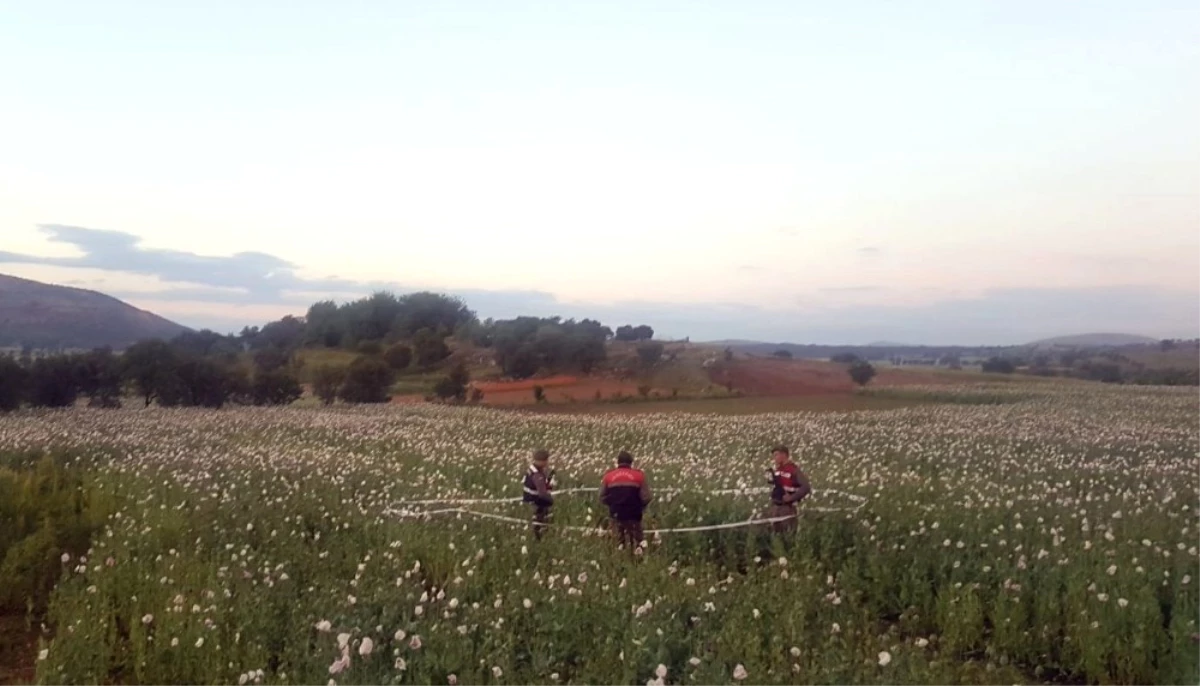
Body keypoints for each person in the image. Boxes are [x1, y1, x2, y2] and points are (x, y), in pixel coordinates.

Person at [599, 450, 653, 549]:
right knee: (638, 544)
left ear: (618, 462)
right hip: (634, 515)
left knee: (618, 544)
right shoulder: (639, 476)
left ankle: (620, 559)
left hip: (616, 515)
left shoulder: (609, 476)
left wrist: (612, 503)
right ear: (631, 462)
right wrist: (640, 506)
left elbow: (602, 497)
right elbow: (647, 497)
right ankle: (636, 562)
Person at [765, 445, 811, 533]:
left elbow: (806, 487)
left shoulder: (793, 470)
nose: (774, 458)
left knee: (788, 534)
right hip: (776, 506)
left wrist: (792, 497)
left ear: (784, 455)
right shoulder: (777, 469)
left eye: (776, 455)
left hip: (787, 508)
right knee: (776, 534)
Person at [522, 449, 555, 540]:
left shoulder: (531, 470)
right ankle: (539, 539)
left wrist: (547, 482)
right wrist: (551, 500)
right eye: (546, 460)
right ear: (542, 461)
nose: (548, 462)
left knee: (535, 523)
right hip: (537, 504)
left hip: (529, 500)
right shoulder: (537, 475)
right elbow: (542, 494)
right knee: (539, 525)